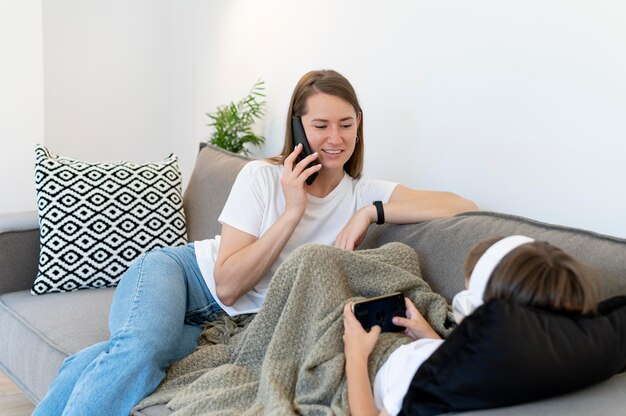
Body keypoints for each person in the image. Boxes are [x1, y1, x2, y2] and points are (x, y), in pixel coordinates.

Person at [34, 69, 477, 416]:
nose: (335, 138)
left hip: (237, 326)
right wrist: (291, 212)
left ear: (359, 125)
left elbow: (461, 204)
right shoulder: (262, 177)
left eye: (346, 124)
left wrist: (370, 212)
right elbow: (227, 284)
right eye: (320, 125)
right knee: (143, 349)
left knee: (110, 359)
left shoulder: (363, 192)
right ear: (299, 128)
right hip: (186, 278)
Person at [343, 235, 599, 416]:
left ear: (473, 305)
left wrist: (356, 355)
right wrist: (429, 336)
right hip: (420, 345)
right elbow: (464, 364)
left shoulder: (426, 379)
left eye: (467, 287)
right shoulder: (533, 361)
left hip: (371, 363)